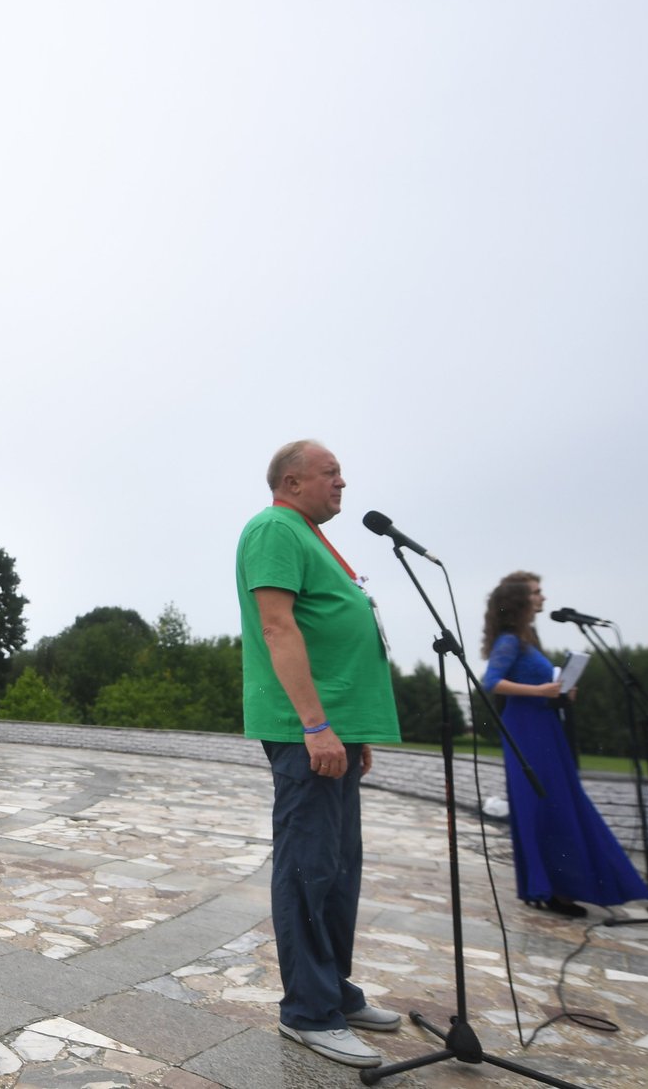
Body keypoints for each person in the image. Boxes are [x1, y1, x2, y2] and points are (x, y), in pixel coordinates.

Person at [236, 440, 401, 1071]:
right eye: (331, 473)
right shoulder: (274, 527)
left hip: (334, 731)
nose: (342, 482)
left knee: (338, 867)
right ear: (293, 480)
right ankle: (307, 1011)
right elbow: (277, 625)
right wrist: (315, 724)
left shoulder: (309, 533)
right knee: (308, 864)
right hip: (306, 728)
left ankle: (332, 988)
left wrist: (348, 733)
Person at [480, 571, 648, 916]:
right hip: (526, 729)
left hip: (544, 724)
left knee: (559, 801)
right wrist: (541, 691)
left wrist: (559, 693)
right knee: (544, 804)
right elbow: (491, 681)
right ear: (519, 599)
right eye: (537, 592)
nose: (543, 597)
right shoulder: (510, 640)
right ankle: (551, 888)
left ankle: (560, 885)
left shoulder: (529, 639)